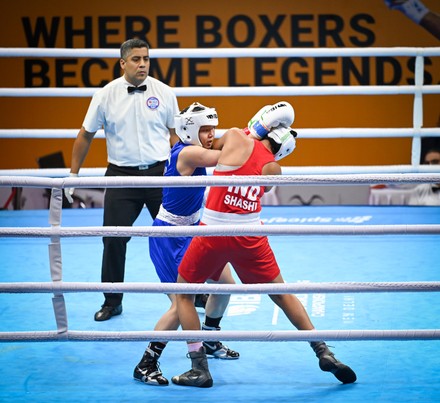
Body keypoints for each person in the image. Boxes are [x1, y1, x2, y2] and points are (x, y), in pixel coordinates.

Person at [171, 108, 357, 388]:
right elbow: (264, 184)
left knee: (183, 294)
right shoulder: (275, 169)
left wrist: (252, 129)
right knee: (283, 294)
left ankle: (199, 367)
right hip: (250, 235)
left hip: (213, 230)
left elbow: (213, 148)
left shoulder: (235, 136)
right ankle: (323, 351)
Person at [65, 38, 180, 321]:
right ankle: (112, 300)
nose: (142, 64)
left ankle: (192, 292)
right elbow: (85, 134)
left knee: (177, 236)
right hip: (121, 176)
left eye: (146, 59)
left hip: (159, 174)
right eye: (136, 59)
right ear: (123, 63)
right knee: (113, 240)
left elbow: (176, 136)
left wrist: (180, 173)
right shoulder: (105, 95)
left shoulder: (165, 92)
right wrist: (73, 174)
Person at [133, 102, 240, 386]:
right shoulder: (188, 152)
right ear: (190, 131)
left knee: (226, 284)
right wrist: (257, 132)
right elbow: (228, 155)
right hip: (170, 237)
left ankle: (211, 339)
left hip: (194, 231)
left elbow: (228, 141)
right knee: (182, 305)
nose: (210, 134)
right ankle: (146, 363)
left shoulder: (195, 146)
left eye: (212, 129)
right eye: (204, 129)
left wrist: (242, 133)